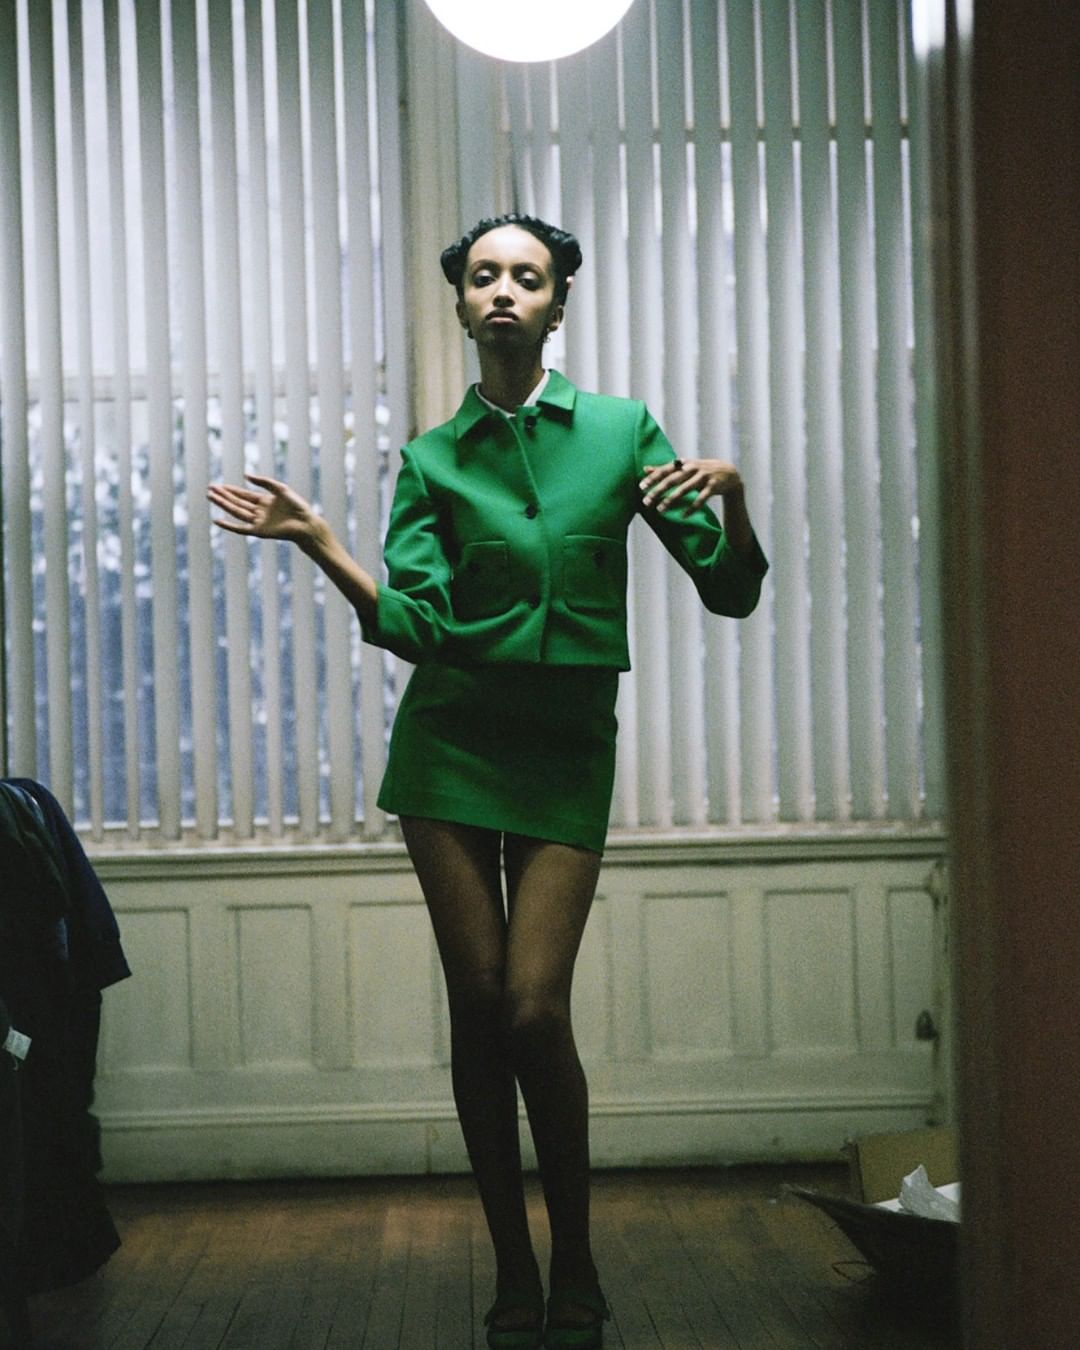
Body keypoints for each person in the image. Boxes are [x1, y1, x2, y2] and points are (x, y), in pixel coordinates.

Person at [208, 213, 767, 1350]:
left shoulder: (622, 433)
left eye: (527, 276)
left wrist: (736, 496)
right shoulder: (431, 460)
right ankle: (514, 1268)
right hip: (451, 753)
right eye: (483, 276)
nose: (504, 290)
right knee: (477, 1008)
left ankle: (577, 1260)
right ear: (462, 304)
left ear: (558, 303)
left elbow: (732, 592)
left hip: (566, 754)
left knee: (533, 1008)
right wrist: (322, 543)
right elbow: (415, 627)